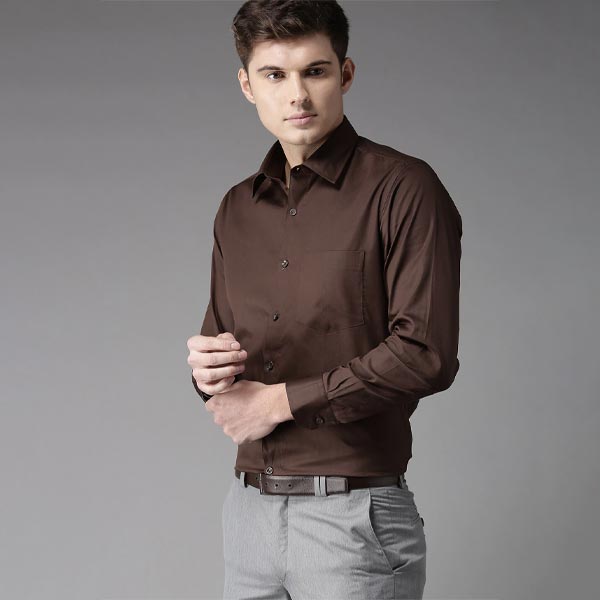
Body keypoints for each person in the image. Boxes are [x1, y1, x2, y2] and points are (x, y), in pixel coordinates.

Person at [186, 1, 462, 598]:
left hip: (353, 520)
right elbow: (224, 350)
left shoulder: (403, 189)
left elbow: (425, 354)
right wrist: (207, 373)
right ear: (247, 85)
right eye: (274, 75)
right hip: (248, 516)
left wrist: (280, 402)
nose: (297, 95)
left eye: (315, 71)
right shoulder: (236, 209)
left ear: (346, 73)